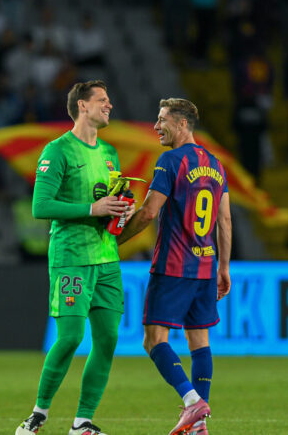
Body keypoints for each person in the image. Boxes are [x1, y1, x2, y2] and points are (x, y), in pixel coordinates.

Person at [16, 81, 134, 435]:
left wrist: (119, 211)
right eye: (102, 100)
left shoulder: (110, 153)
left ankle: (82, 423)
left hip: (107, 259)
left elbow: (108, 200)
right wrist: (92, 208)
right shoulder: (57, 150)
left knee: (108, 340)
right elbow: (41, 206)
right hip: (71, 256)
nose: (109, 105)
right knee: (69, 337)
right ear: (82, 106)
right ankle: (37, 415)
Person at [117, 98, 232, 435]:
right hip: (206, 268)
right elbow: (224, 219)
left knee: (154, 340)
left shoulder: (171, 161)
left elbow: (150, 212)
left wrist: (115, 240)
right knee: (200, 342)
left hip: (173, 265)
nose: (156, 126)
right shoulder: (216, 164)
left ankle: (192, 400)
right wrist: (224, 266)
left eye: (162, 119)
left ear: (183, 124)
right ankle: (200, 427)